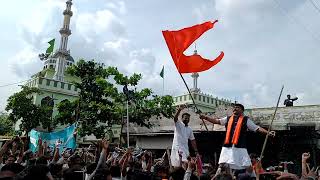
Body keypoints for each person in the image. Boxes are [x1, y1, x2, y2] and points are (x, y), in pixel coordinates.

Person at [199, 103, 275, 172]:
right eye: (234, 107)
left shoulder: (246, 120)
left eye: (237, 107)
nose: (235, 108)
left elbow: (257, 128)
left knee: (247, 165)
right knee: (222, 165)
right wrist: (205, 117)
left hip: (240, 146)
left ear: (242, 110)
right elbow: (217, 121)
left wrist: (268, 133)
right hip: (227, 146)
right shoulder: (228, 118)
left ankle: (253, 177)